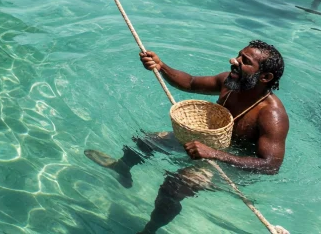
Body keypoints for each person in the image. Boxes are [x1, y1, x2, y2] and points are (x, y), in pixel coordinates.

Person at [87, 42, 290, 233]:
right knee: (145, 140)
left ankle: (149, 230)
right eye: (239, 55)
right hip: (210, 143)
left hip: (234, 162)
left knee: (174, 185)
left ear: (265, 77)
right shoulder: (229, 83)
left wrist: (214, 154)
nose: (234, 60)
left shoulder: (271, 115)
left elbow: (270, 165)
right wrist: (160, 66)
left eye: (245, 61)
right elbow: (191, 83)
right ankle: (121, 167)